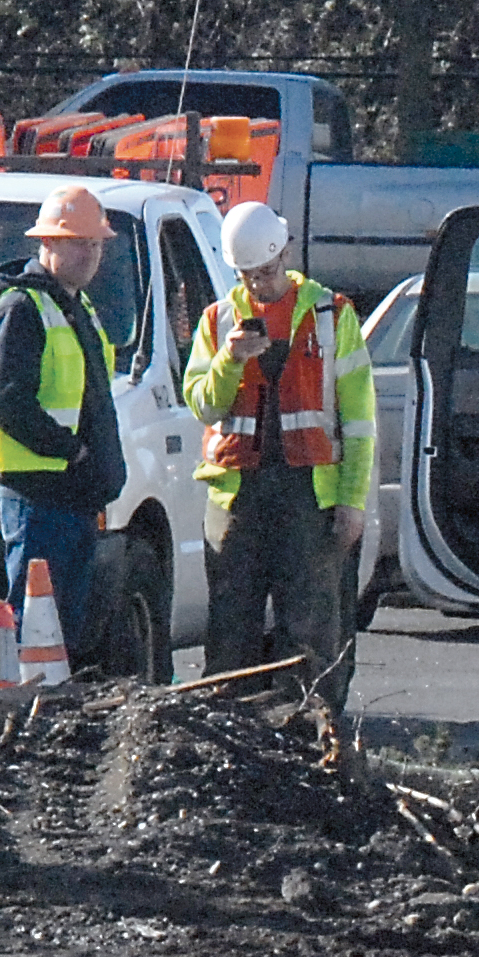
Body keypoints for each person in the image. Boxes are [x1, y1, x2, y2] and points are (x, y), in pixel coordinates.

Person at [181, 201, 375, 693]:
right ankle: (226, 731)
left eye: (266, 272)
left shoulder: (333, 316)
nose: (258, 285)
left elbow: (359, 423)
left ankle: (309, 735)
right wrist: (229, 360)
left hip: (309, 498)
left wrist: (352, 503)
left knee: (310, 628)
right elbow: (203, 406)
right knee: (230, 627)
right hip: (237, 497)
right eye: (248, 275)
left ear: (285, 254)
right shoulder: (219, 320)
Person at [0, 184, 129, 659]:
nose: (91, 254)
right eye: (80, 242)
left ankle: (47, 715)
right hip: (38, 496)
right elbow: (6, 400)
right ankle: (22, 716)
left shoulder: (75, 305)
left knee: (60, 628)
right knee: (33, 622)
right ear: (48, 243)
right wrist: (70, 449)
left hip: (73, 497)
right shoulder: (23, 308)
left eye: (97, 244)